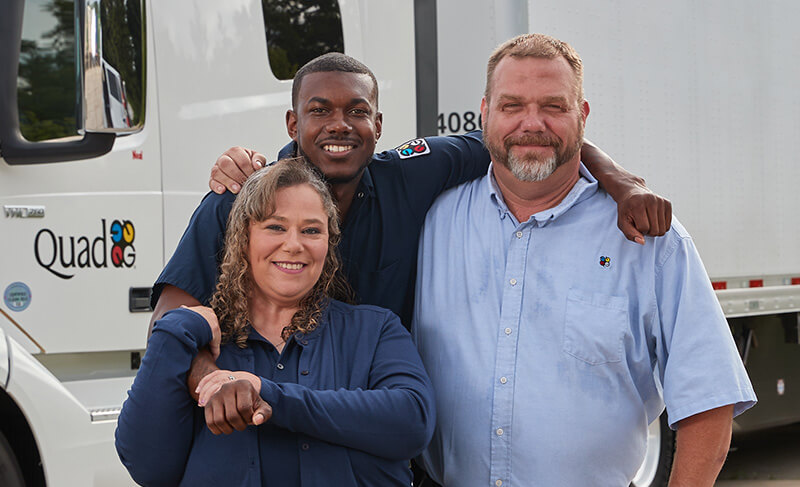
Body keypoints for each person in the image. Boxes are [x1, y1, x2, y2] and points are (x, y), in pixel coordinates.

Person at [412, 33, 756, 487]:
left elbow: (709, 402)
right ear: (485, 113)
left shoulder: (649, 241)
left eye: (553, 106)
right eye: (511, 106)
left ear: (583, 115)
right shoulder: (431, 223)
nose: (531, 123)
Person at [151, 53, 672, 336]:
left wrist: (620, 182)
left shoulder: (412, 174)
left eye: (356, 111)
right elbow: (171, 311)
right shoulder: (240, 196)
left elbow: (528, 133)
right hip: (268, 424)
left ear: (379, 124)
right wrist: (206, 379)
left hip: (376, 435)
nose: (340, 126)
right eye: (320, 111)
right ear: (293, 120)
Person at [116, 159, 435, 486]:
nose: (294, 245)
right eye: (275, 227)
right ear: (243, 237)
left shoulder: (375, 330)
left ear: (329, 241)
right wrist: (175, 330)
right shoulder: (200, 347)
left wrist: (269, 394)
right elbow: (147, 466)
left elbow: (412, 423)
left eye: (311, 230)